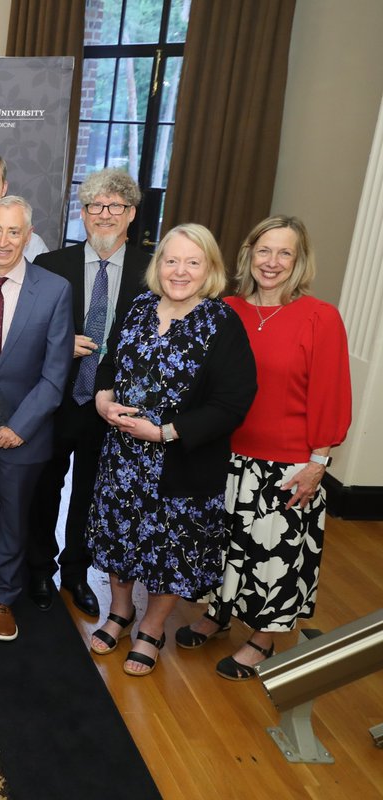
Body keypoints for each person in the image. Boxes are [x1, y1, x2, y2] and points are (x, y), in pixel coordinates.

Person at [178, 216, 352, 681]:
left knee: (269, 557)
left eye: (284, 253)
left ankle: (262, 637)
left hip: (285, 463)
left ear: (298, 262)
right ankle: (217, 616)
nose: (272, 262)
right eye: (264, 251)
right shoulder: (224, 309)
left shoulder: (320, 317)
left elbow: (331, 393)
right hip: (222, 453)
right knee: (219, 546)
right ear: (248, 255)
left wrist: (319, 462)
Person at [87, 224, 256, 677]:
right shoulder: (139, 307)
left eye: (192, 262)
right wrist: (103, 397)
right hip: (122, 460)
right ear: (158, 265)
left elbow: (232, 403)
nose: (179, 271)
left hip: (181, 464)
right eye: (171, 260)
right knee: (121, 542)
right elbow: (109, 361)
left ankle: (152, 628)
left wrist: (165, 433)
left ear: (210, 269)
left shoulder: (222, 323)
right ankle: (121, 613)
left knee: (169, 552)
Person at [26, 169, 150, 616]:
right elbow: (26, 334)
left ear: (131, 214)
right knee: (44, 487)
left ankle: (75, 571)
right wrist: (59, 344)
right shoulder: (50, 266)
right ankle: (38, 567)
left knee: (90, 493)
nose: (104, 215)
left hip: (114, 405)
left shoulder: (152, 271)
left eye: (115, 207)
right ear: (82, 214)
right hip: (57, 398)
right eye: (95, 206)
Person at [0, 196, 73, 641]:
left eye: (13, 231)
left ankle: (3, 597)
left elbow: (56, 374)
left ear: (28, 235)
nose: (3, 240)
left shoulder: (55, 288)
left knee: (14, 518)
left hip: (25, 431)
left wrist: (20, 427)